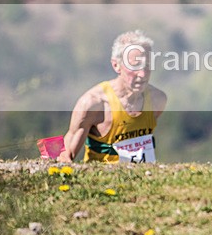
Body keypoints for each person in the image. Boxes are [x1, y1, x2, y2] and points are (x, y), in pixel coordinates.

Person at [57, 30, 167, 163]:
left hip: (144, 180)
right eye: (135, 65)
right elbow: (65, 155)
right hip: (102, 180)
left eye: (147, 65)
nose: (142, 74)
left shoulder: (158, 99)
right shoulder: (93, 103)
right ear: (116, 65)